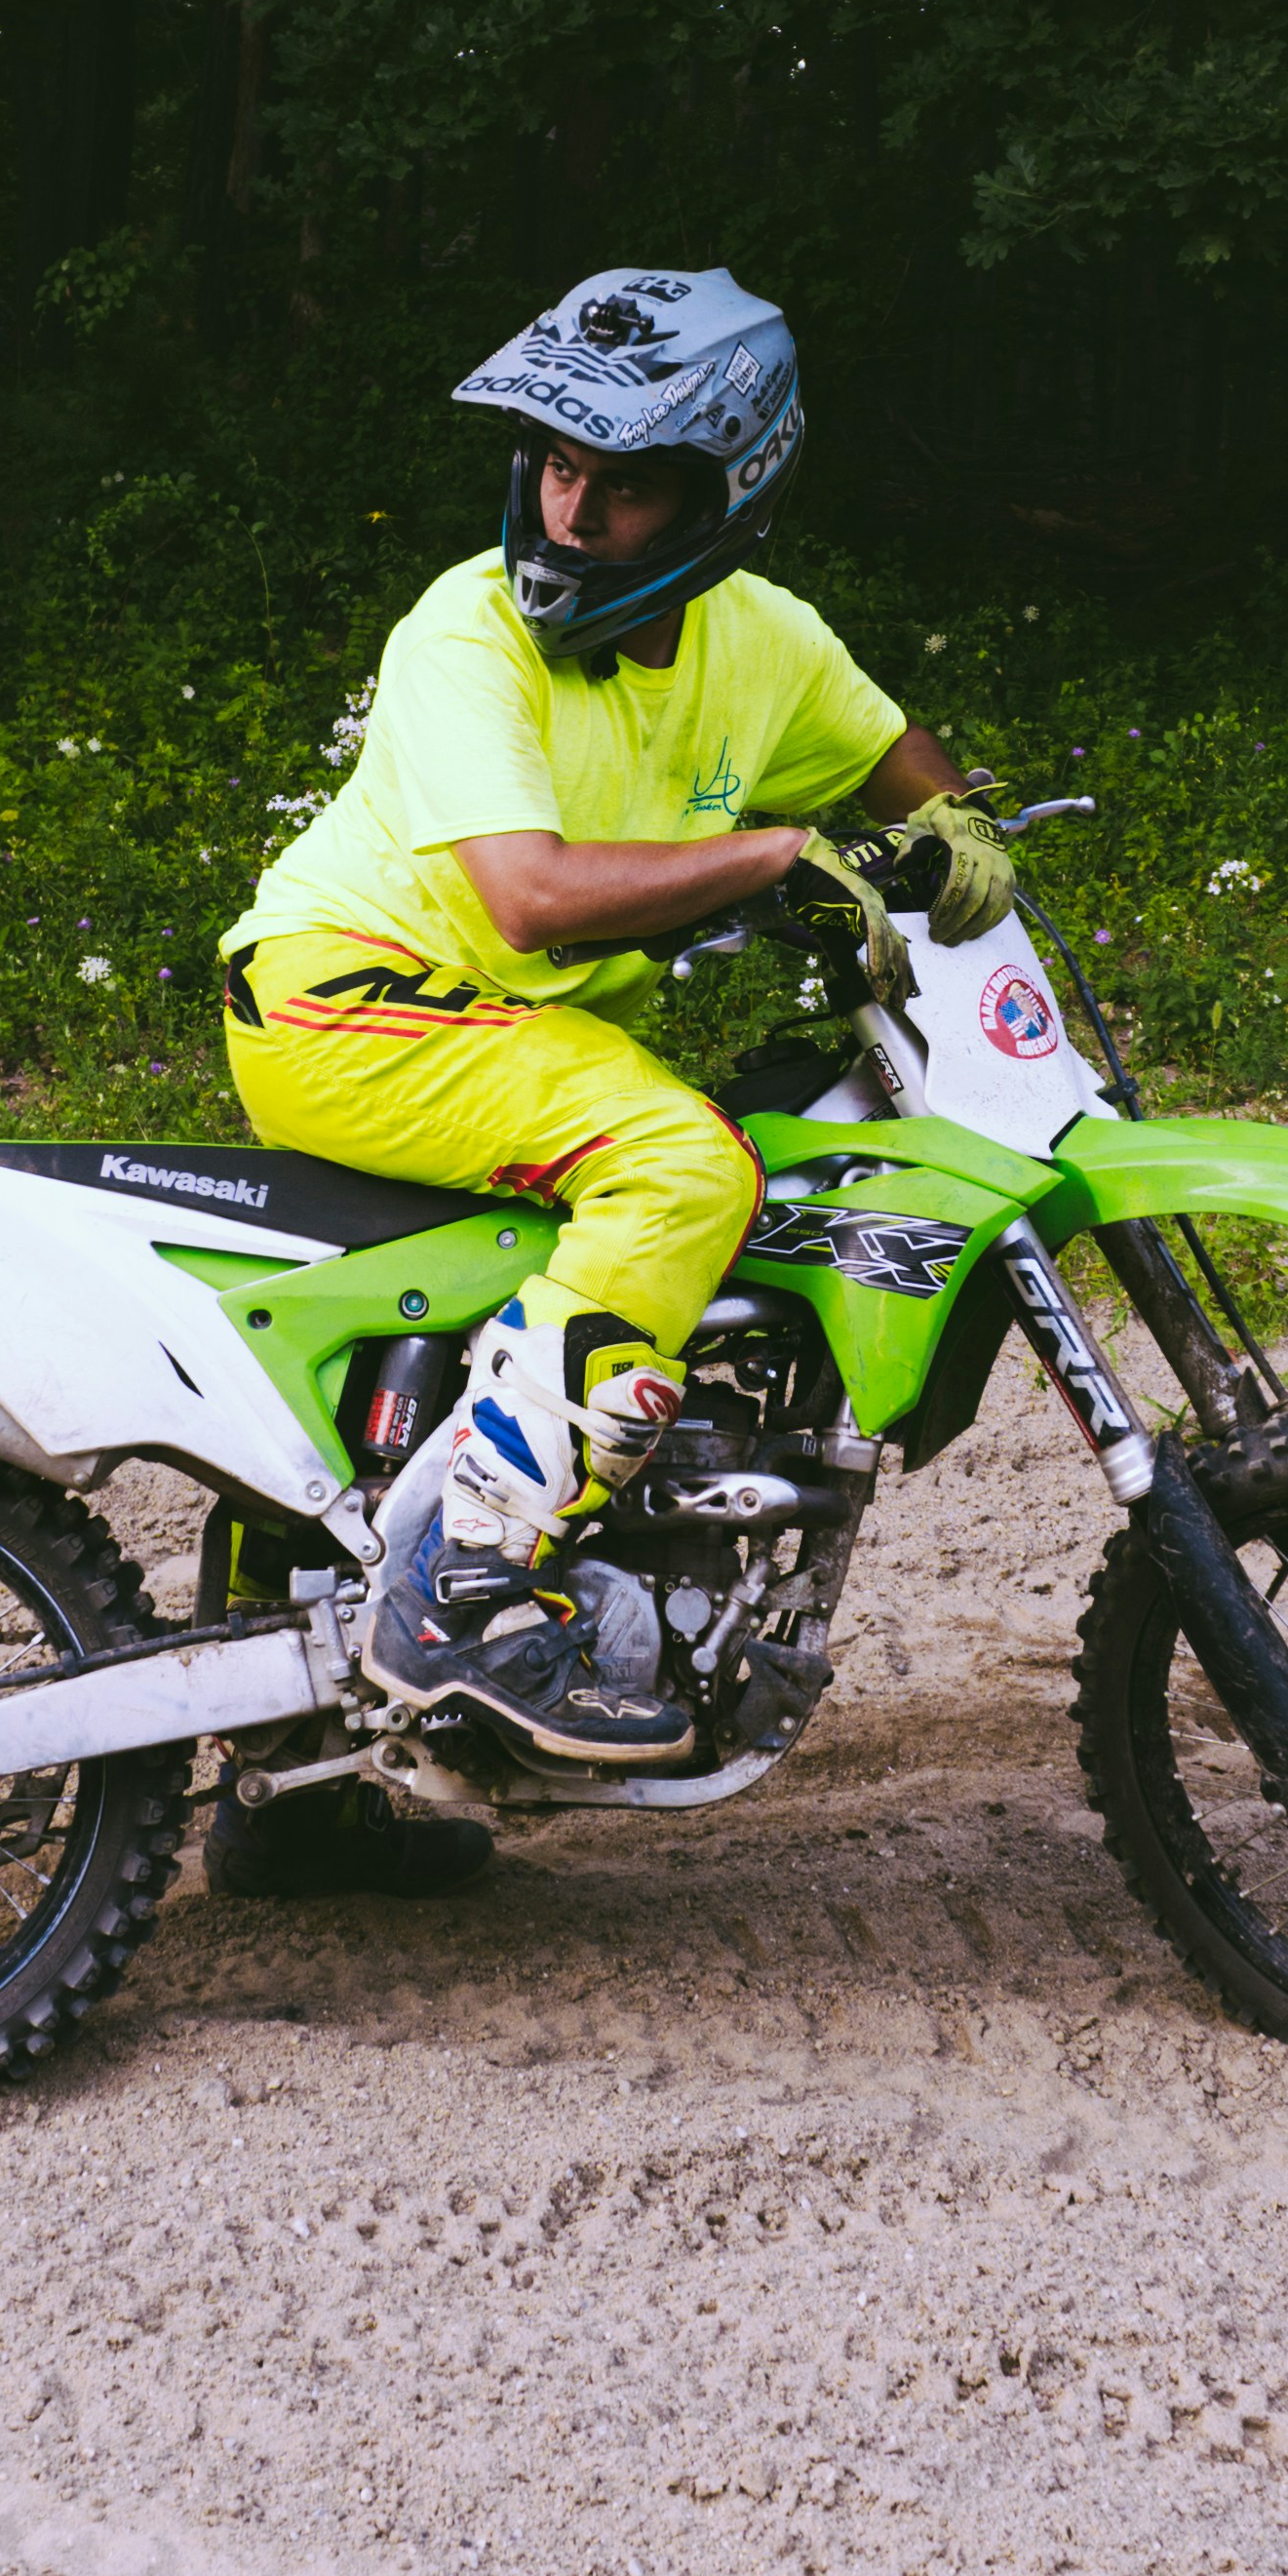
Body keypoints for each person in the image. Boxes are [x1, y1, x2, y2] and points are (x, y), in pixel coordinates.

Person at [204, 265, 1010, 1897]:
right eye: (557, 466)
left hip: (485, 1023)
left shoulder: (764, 643)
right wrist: (785, 852)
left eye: (624, 482)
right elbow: (530, 896)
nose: (570, 513)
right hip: (356, 1003)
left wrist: (960, 839)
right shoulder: (468, 625)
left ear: (728, 490)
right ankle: (471, 1587)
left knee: (479, 1302)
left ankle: (307, 1792)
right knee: (687, 1169)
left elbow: (911, 772)